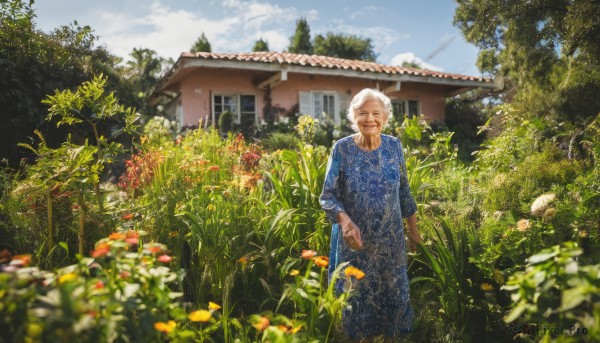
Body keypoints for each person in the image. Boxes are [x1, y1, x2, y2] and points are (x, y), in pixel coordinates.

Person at [320, 88, 421, 342]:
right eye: (363, 113)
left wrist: (414, 232)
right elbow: (328, 195)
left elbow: (405, 191)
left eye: (376, 113)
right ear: (354, 117)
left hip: (390, 244)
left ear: (385, 117)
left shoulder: (394, 146)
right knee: (356, 303)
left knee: (394, 299)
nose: (369, 119)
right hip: (355, 243)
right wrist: (345, 222)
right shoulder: (341, 149)